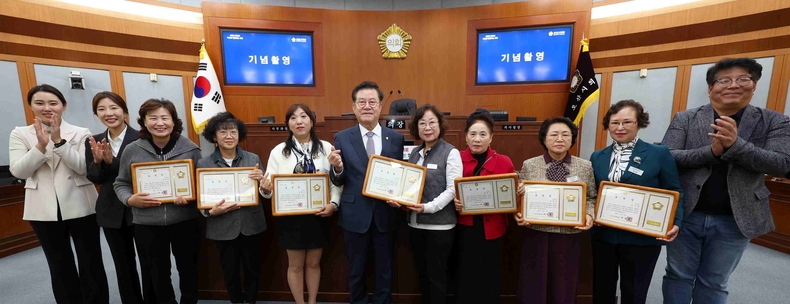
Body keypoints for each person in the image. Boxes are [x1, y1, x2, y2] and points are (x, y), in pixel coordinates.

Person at [661, 58, 790, 304]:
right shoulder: (685, 118)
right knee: (678, 275)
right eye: (724, 80)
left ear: (754, 85)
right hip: (686, 214)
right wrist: (711, 152)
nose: (733, 85)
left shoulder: (775, 121)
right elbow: (668, 157)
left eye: (742, 79)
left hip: (735, 219)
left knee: (715, 281)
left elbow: (782, 164)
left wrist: (735, 145)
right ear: (711, 88)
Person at [9, 84, 109, 303]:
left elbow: (83, 168)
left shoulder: (81, 132)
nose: (47, 108)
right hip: (42, 208)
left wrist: (59, 142)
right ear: (31, 106)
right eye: (40, 103)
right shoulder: (20, 134)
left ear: (63, 105)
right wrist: (40, 146)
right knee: (59, 264)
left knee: (91, 261)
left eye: (53, 103)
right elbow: (19, 171)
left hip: (81, 204)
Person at [589, 99, 683, 304]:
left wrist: (675, 221)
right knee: (601, 288)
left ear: (639, 123)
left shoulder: (658, 153)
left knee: (634, 291)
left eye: (627, 122)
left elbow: (673, 189)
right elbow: (592, 192)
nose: (620, 127)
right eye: (614, 122)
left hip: (641, 238)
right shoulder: (597, 156)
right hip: (604, 236)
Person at [114, 98, 202, 304]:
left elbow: (200, 184)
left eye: (165, 118)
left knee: (189, 269)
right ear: (144, 122)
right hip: (147, 223)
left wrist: (191, 198)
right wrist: (130, 199)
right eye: (153, 118)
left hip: (184, 221)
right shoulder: (132, 150)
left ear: (173, 121)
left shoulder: (191, 149)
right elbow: (121, 183)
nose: (159, 123)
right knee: (157, 273)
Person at [328, 81, 404, 304]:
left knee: (385, 272)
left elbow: (400, 175)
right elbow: (338, 179)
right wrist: (337, 168)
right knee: (356, 271)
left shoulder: (396, 138)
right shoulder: (342, 137)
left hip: (386, 214)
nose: (367, 106)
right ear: (354, 107)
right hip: (354, 215)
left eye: (372, 102)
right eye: (362, 102)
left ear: (380, 106)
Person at [260, 104, 341, 304]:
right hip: (290, 217)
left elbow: (335, 181)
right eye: (293, 118)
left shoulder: (326, 148)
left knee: (313, 264)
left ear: (312, 121)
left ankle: (311, 302)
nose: (299, 121)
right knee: (295, 265)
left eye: (303, 116)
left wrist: (334, 204)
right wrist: (266, 189)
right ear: (288, 124)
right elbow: (269, 188)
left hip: (318, 214)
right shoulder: (279, 151)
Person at [514, 117, 596, 304]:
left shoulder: (585, 166)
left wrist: (589, 215)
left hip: (569, 235)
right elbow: (521, 197)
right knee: (534, 285)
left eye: (565, 134)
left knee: (563, 287)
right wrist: (518, 212)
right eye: (554, 135)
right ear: (544, 139)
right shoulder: (530, 165)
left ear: (572, 138)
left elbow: (592, 197)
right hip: (537, 233)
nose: (560, 139)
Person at [197, 112, 267, 304]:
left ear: (239, 134)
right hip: (222, 226)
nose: (229, 136)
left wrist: (265, 186)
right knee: (230, 272)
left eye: (233, 132)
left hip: (251, 224)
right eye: (223, 132)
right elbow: (201, 199)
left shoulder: (252, 159)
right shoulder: (204, 164)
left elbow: (264, 193)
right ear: (214, 136)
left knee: (253, 270)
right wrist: (209, 212)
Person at [84, 91, 147, 304]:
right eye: (101, 109)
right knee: (123, 266)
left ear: (124, 111)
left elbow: (143, 174)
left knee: (149, 263)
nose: (108, 113)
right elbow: (95, 178)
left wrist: (113, 163)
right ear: (96, 114)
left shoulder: (143, 138)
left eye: (114, 108)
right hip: (111, 212)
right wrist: (98, 162)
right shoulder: (94, 141)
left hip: (142, 209)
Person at [452, 109, 516, 304]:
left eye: (482, 134)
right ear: (466, 136)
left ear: (491, 137)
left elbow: (512, 194)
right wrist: (454, 200)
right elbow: (446, 188)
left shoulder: (504, 161)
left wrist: (518, 192)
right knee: (464, 275)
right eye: (473, 134)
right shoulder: (455, 159)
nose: (477, 139)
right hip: (464, 228)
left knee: (490, 277)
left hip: (493, 229)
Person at [403, 104, 462, 304]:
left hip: (440, 227)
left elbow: (452, 189)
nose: (427, 127)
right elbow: (408, 186)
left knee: (437, 278)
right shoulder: (414, 153)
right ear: (416, 128)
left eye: (431, 122)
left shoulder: (451, 152)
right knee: (422, 275)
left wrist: (428, 207)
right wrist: (399, 201)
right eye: (422, 123)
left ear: (440, 125)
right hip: (415, 224)